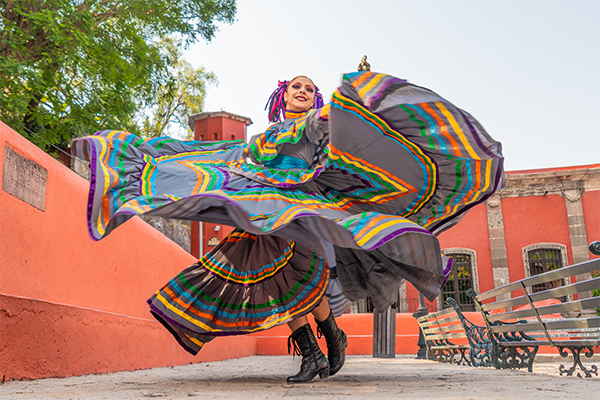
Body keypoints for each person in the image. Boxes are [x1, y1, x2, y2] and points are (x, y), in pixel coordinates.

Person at [72, 71, 504, 383]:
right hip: (266, 218)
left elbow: (356, 147)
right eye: (296, 87)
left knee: (295, 282)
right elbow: (228, 161)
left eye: (309, 88)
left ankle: (327, 337)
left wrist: (359, 101)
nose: (302, 91)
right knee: (281, 283)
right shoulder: (264, 139)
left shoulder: (320, 127)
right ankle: (318, 348)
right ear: (283, 95)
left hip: (307, 217)